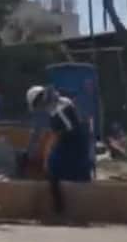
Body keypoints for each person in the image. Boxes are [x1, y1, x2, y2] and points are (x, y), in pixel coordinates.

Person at [26, 85, 92, 216]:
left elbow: (56, 136)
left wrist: (45, 158)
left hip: (73, 144)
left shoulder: (56, 111)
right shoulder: (64, 102)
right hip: (79, 142)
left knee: (53, 170)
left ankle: (59, 209)